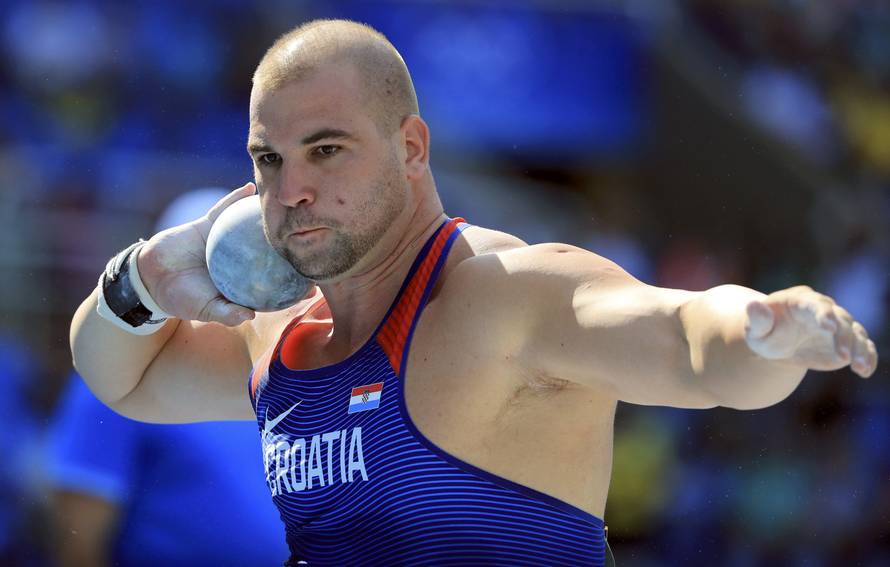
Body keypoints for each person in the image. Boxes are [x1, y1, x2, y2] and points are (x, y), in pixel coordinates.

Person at [69, 19, 879, 567]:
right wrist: (143, 277)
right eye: (269, 160)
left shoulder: (503, 296)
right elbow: (122, 376)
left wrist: (764, 330)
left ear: (411, 147)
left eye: (326, 150)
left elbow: (690, 346)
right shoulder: (278, 336)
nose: (292, 190)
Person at [48, 189, 290, 567]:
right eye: (219, 265)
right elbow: (79, 530)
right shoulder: (119, 371)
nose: (240, 281)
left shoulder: (273, 355)